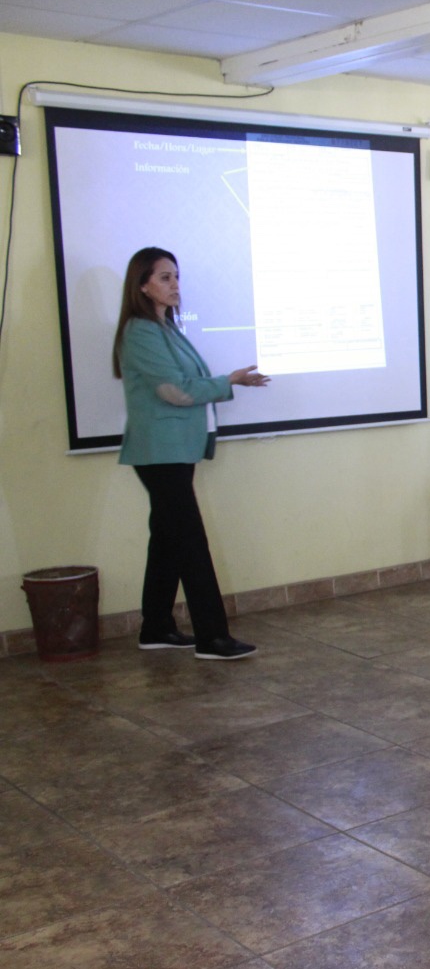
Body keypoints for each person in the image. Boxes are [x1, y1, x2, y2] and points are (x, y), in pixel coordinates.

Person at [115, 247, 268, 661]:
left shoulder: (166, 328)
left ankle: (157, 627)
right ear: (142, 285)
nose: (175, 285)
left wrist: (230, 381)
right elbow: (175, 391)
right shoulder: (142, 331)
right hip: (159, 452)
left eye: (176, 276)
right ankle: (212, 638)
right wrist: (227, 381)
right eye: (164, 277)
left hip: (175, 450)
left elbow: (185, 382)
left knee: (167, 539)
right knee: (191, 543)